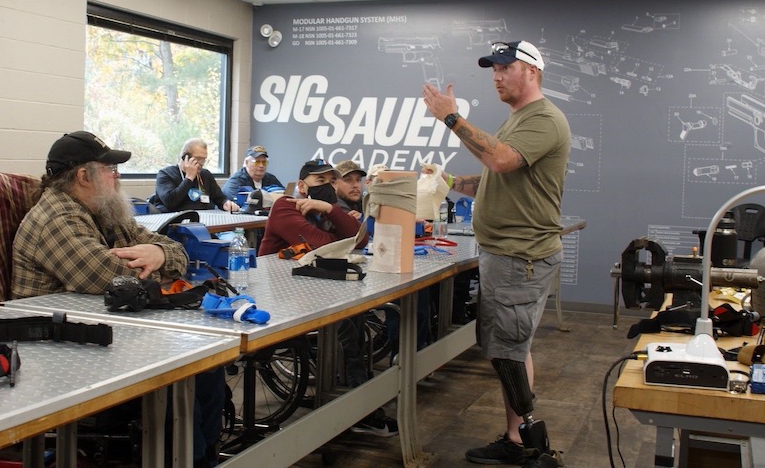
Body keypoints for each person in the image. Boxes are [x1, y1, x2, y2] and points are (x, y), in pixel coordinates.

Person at [11, 130, 221, 467]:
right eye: (109, 169)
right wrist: (158, 263)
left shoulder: (104, 210)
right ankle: (184, 460)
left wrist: (157, 253)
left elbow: (175, 250)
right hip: (58, 349)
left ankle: (202, 457)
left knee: (207, 366)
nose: (116, 176)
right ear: (83, 175)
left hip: (102, 329)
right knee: (177, 377)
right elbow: (111, 277)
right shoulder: (54, 218)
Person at [422, 40, 570, 468]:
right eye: (493, 69)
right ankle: (514, 436)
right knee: (512, 347)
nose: (497, 75)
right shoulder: (519, 119)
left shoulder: (544, 119)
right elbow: (492, 179)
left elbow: (501, 162)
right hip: (504, 253)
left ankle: (534, 444)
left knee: (506, 351)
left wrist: (451, 117)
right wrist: (447, 181)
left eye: (506, 67)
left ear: (532, 72)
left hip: (519, 255)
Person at [258, 159, 395, 435]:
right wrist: (332, 213)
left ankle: (355, 391)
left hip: (309, 288)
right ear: (301, 186)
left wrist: (330, 209)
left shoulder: (321, 211)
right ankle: (358, 405)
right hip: (278, 296)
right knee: (344, 324)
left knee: (354, 314)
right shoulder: (285, 206)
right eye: (320, 182)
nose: (328, 187)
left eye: (331, 182)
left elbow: (358, 240)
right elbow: (323, 244)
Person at [150, 138, 239, 213]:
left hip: (204, 220)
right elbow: (171, 202)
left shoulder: (205, 175)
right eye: (198, 159)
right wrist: (189, 178)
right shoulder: (165, 174)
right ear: (185, 156)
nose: (201, 163)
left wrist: (225, 203)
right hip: (175, 223)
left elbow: (219, 198)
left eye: (204, 160)